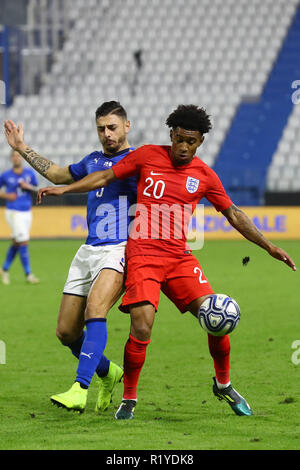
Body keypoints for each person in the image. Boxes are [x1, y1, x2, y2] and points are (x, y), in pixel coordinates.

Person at [34, 105, 297, 420]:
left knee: (215, 317)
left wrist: (269, 246)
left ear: (200, 142)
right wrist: (66, 190)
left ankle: (224, 384)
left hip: (178, 258)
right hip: (142, 255)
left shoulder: (204, 175)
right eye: (180, 139)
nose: (184, 147)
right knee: (142, 324)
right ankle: (129, 398)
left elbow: (234, 214)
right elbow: (104, 175)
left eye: (192, 141)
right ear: (171, 134)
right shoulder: (146, 156)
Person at [4, 101, 137, 413]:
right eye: (101, 129)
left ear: (126, 126)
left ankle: (80, 388)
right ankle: (109, 372)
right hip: (88, 249)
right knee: (66, 332)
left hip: (118, 249)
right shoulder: (91, 160)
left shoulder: (137, 161)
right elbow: (59, 174)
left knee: (95, 310)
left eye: (113, 127)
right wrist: (23, 148)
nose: (107, 134)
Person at [0, 149, 40, 285]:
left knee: (17, 242)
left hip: (26, 211)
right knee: (23, 241)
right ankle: (28, 274)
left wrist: (27, 186)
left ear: (22, 158)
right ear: (11, 159)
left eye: (19, 156)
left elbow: (36, 190)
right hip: (13, 211)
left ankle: (4, 269)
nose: (17, 158)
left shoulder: (29, 174)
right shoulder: (6, 175)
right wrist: (7, 195)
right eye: (14, 156)